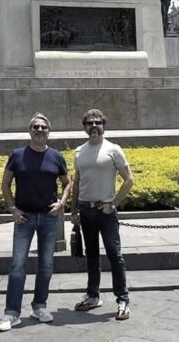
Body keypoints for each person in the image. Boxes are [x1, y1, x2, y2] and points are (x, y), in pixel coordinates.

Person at [0, 113, 72, 333]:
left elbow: (68, 183)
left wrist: (62, 203)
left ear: (48, 132)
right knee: (18, 265)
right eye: (36, 127)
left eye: (43, 128)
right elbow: (5, 184)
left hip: (49, 218)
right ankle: (11, 313)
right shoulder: (17, 155)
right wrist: (12, 208)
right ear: (30, 130)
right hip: (24, 217)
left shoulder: (56, 156)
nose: (40, 130)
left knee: (46, 265)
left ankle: (39, 306)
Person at [71, 108, 134, 321]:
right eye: (90, 123)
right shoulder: (79, 151)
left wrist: (114, 204)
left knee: (115, 255)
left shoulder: (113, 149)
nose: (94, 126)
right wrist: (73, 211)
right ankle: (93, 295)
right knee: (91, 256)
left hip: (105, 210)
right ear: (85, 127)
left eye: (98, 122)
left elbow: (129, 180)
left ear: (104, 126)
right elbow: (77, 182)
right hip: (86, 210)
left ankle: (122, 299)